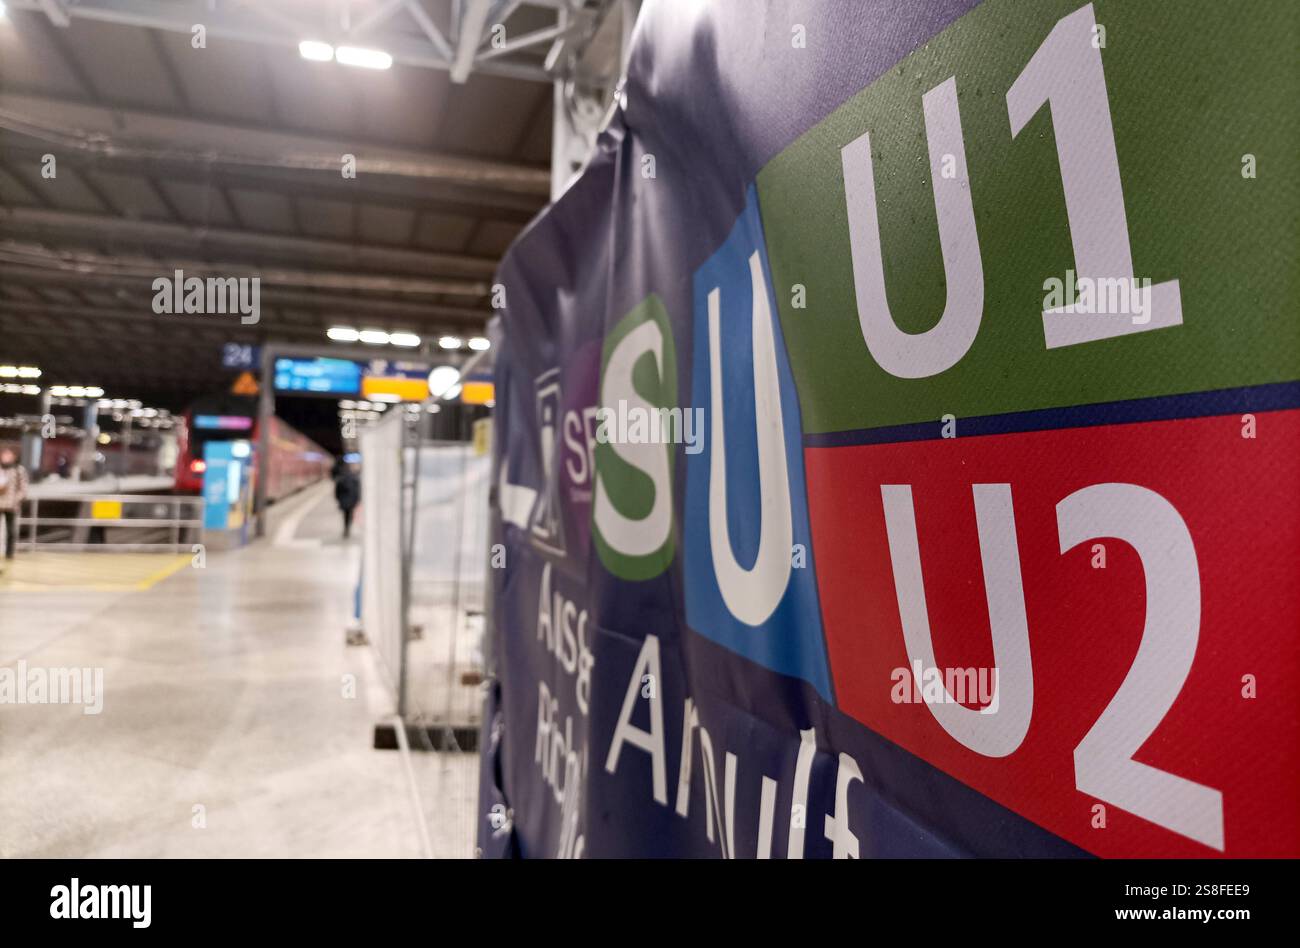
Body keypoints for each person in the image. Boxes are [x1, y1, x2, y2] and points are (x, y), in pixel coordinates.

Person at [0, 447, 30, 564]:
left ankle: (9, 554)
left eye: (8, 455)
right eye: (4, 455)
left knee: (11, 531)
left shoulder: (19, 470)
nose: (6, 457)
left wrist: (16, 499)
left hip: (12, 505)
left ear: (14, 457)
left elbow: (24, 488)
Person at [333, 461, 360, 540]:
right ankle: (348, 526)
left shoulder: (340, 478)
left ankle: (346, 527)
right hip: (351, 500)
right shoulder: (354, 478)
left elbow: (337, 491)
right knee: (350, 514)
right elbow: (357, 490)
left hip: (344, 500)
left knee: (345, 515)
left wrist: (338, 499)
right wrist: (357, 499)